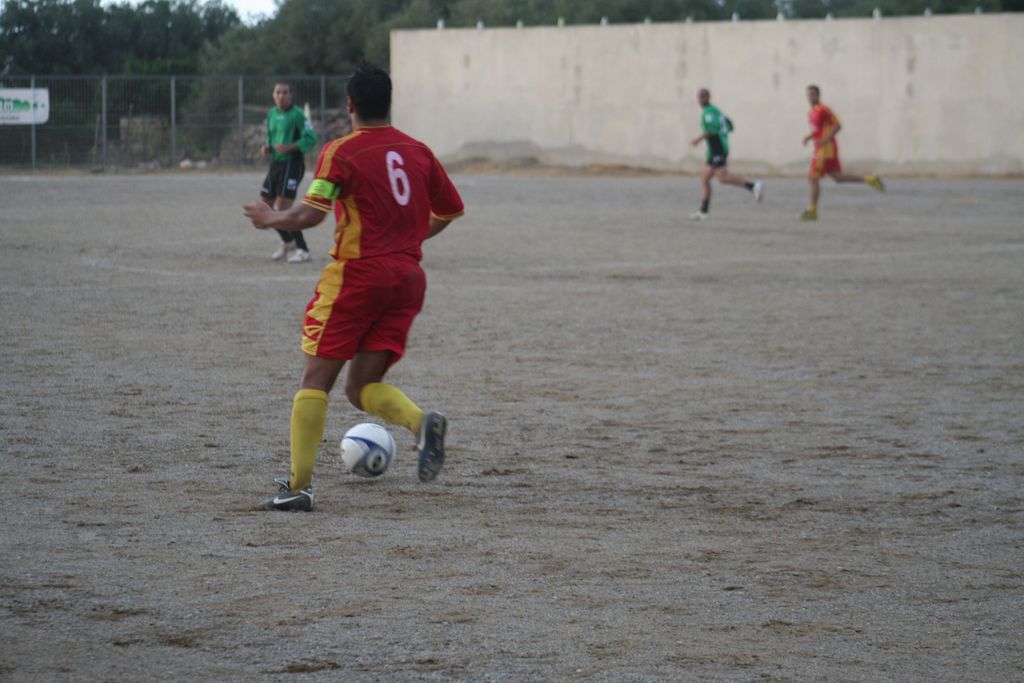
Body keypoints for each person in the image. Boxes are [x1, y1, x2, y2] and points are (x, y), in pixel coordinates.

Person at [243, 64, 465, 512]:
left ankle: (298, 487)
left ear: (349, 105)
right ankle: (421, 423)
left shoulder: (341, 151)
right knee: (360, 385)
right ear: (389, 103)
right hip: (407, 278)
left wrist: (271, 218)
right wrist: (407, 239)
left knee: (316, 379)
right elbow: (449, 210)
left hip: (359, 277)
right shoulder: (418, 151)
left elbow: (312, 213)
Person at [800, 84, 885, 221]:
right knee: (837, 178)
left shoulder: (824, 110)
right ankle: (870, 179)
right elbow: (818, 130)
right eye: (808, 95)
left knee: (812, 178)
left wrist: (825, 140)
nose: (810, 97)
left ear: (818, 95)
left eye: (812, 94)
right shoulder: (811, 112)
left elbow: (837, 125)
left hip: (825, 150)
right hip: (822, 149)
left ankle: (812, 211)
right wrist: (809, 137)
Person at [259, 82, 318, 262]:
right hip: (276, 163)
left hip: (292, 164)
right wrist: (267, 147)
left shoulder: (297, 115)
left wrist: (290, 146)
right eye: (278, 92)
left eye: (285, 92)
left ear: (291, 95)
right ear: (273, 95)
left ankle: (303, 249)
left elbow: (311, 137)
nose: (281, 96)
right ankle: (287, 241)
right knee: (264, 206)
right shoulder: (271, 114)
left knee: (283, 208)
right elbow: (271, 136)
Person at [688, 88, 763, 221]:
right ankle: (703, 212)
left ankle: (753, 186)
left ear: (708, 97)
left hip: (717, 148)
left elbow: (711, 130)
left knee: (722, 177)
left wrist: (697, 140)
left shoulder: (709, 112)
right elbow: (730, 125)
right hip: (714, 149)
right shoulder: (715, 111)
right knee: (704, 179)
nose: (700, 99)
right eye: (699, 97)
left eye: (703, 96)